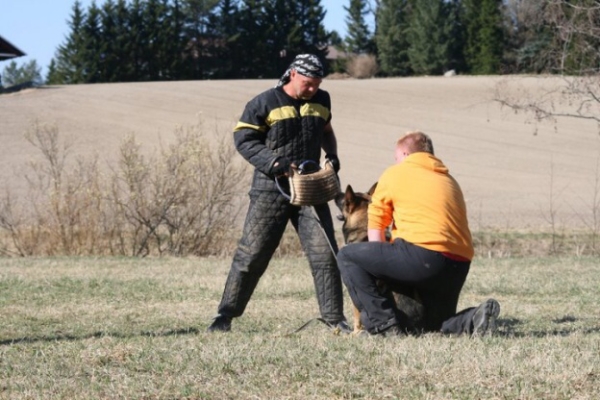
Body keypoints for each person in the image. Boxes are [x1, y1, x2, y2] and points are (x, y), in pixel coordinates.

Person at [207, 54, 349, 333]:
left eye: (317, 84)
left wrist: (331, 155)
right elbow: (244, 140)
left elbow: (327, 131)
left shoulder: (322, 100)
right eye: (308, 83)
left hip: (311, 188)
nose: (313, 89)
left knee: (326, 255)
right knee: (252, 254)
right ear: (293, 74)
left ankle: (335, 319)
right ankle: (224, 316)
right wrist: (274, 163)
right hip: (269, 190)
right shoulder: (263, 103)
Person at [336, 131, 500, 336]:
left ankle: (383, 325)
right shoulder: (449, 180)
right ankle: (473, 318)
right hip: (457, 266)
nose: (396, 162)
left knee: (347, 255)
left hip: (421, 257)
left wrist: (380, 274)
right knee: (432, 326)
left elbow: (376, 227)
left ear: (405, 154)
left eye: (396, 158)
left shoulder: (395, 174)